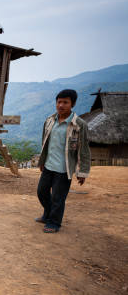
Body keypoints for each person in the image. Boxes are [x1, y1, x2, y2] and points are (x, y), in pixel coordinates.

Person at [36, 89, 90, 233]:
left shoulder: (79, 124)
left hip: (64, 168)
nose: (61, 105)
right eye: (59, 102)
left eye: (65, 102)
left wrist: (82, 171)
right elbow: (45, 142)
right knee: (41, 192)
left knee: (58, 198)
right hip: (48, 165)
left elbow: (84, 149)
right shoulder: (50, 121)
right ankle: (48, 214)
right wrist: (42, 161)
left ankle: (54, 223)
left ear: (72, 104)